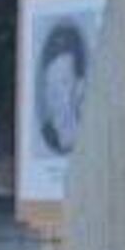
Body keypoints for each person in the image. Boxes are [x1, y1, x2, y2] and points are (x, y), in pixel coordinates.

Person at [37, 20, 89, 158]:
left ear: (80, 88)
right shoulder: (49, 136)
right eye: (50, 86)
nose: (53, 97)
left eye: (63, 83)